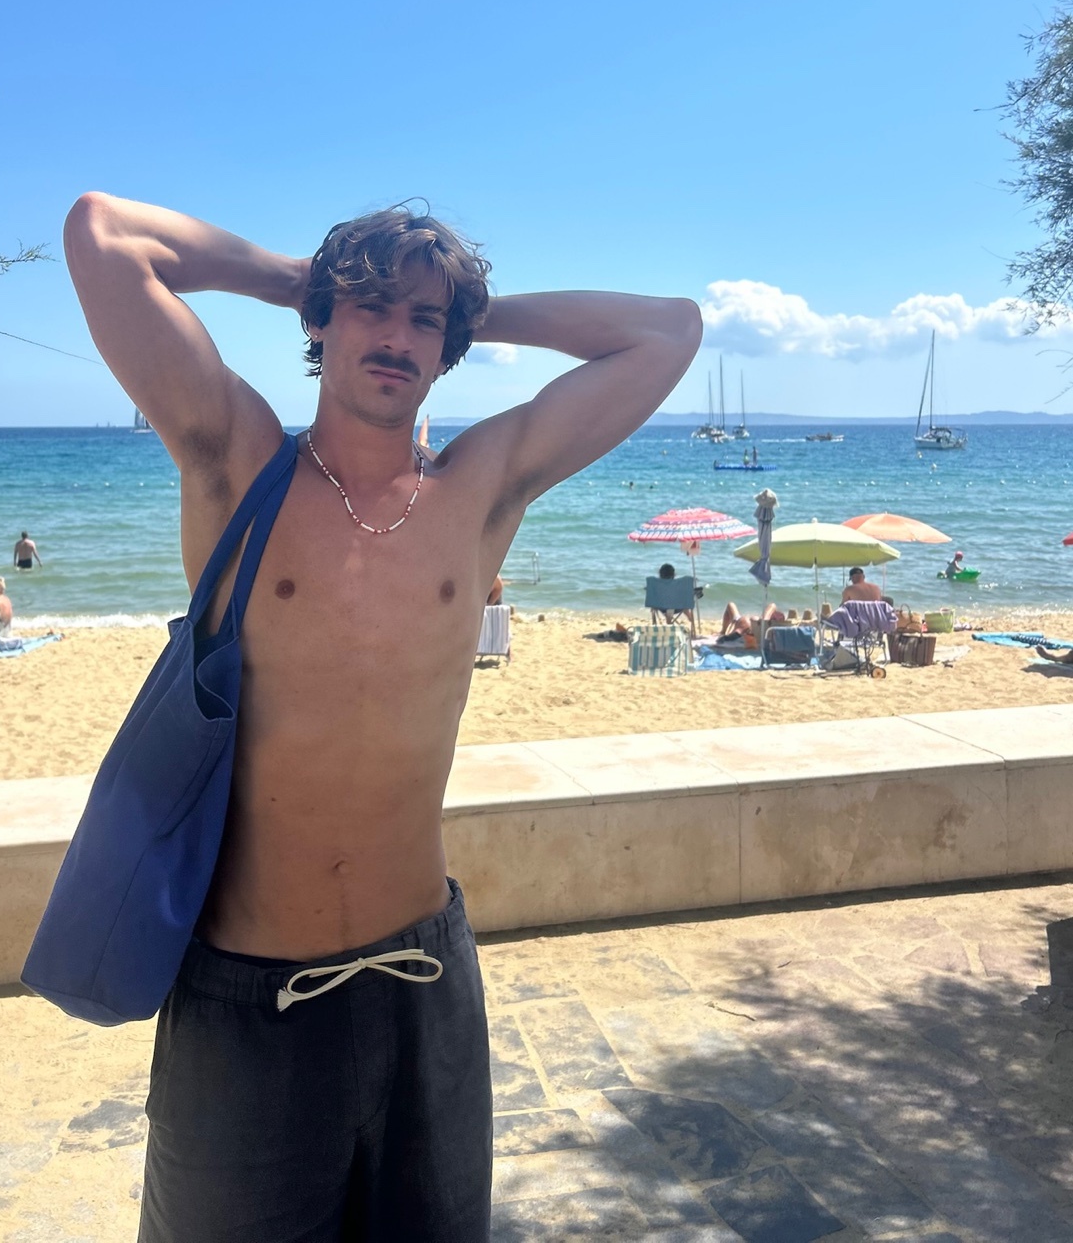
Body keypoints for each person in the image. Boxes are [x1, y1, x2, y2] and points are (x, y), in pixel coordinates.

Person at [63, 192, 701, 1242]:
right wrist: (305, 281)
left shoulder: (479, 492)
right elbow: (103, 232)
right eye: (372, 308)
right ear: (321, 321)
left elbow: (668, 330)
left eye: (422, 321)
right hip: (250, 999)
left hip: (423, 987)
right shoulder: (237, 462)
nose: (398, 337)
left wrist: (463, 311)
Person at [718, 600, 785, 648]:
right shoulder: (773, 634)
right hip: (746, 631)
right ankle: (724, 632)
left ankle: (723, 631)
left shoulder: (764, 623)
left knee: (731, 604)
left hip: (743, 627)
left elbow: (772, 605)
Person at [655, 562, 695, 629]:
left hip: (663, 608)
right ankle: (692, 625)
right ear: (673, 574)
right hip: (678, 607)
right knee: (684, 607)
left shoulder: (656, 584)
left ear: (660, 573)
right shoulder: (677, 584)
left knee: (669, 607)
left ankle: (669, 625)